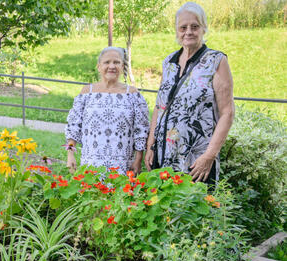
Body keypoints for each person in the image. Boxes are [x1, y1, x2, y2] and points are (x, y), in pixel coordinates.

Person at [144, 2, 235, 185]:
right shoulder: (169, 62)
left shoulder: (216, 61)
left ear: (204, 28)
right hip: (163, 155)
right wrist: (150, 145)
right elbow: (160, 106)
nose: (188, 32)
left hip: (196, 161)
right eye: (183, 27)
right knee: (164, 210)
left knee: (194, 209)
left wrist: (209, 156)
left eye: (195, 26)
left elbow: (227, 112)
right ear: (177, 31)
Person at [65, 47, 149, 175]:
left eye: (116, 62)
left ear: (122, 67)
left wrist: (138, 160)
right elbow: (74, 126)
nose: (112, 66)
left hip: (122, 166)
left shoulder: (132, 94)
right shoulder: (87, 92)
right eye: (107, 62)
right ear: (99, 66)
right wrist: (70, 155)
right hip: (91, 164)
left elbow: (141, 130)